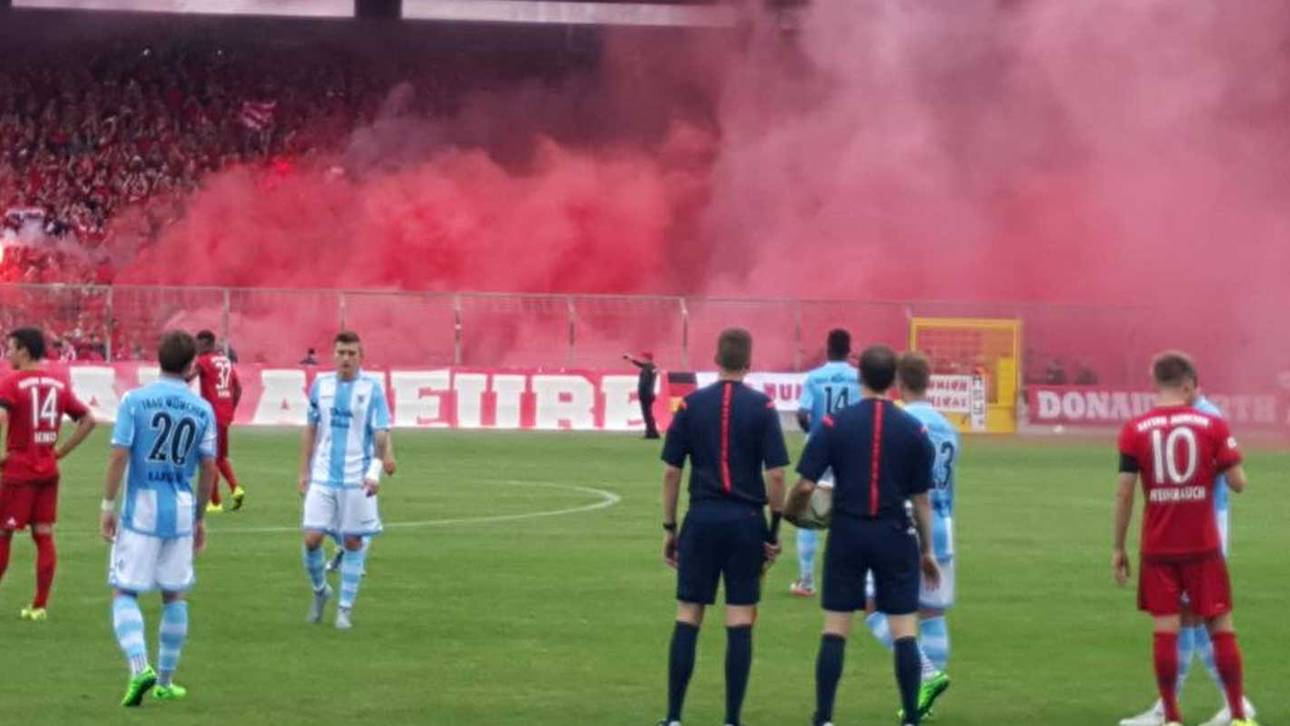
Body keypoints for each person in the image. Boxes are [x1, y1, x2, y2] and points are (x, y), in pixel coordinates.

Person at [785, 344, 941, 726]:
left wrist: (789, 512)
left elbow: (805, 485)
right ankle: (911, 720)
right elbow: (922, 499)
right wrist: (928, 551)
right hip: (894, 533)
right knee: (904, 629)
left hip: (847, 533)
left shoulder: (835, 424)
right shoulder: (913, 429)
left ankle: (823, 717)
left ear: (861, 378)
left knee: (835, 628)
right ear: (893, 382)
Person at [1113, 352, 1257, 726]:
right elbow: (1239, 483)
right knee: (1217, 623)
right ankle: (1238, 712)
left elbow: (1124, 493)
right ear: (1189, 383)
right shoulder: (1210, 422)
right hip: (1203, 537)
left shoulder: (1136, 428)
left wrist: (1118, 546)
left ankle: (1172, 715)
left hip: (1160, 541)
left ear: (1154, 383)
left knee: (1169, 625)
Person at [656, 328, 789, 726]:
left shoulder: (690, 406)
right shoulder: (763, 408)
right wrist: (773, 529)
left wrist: (669, 526)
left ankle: (675, 717)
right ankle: (732, 719)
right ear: (749, 362)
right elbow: (777, 475)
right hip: (746, 522)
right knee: (739, 618)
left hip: (702, 518)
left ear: (715, 359)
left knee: (688, 615)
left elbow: (671, 472)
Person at [102, 330, 218, 707]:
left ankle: (140, 668)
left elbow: (119, 455)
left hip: (143, 510)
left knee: (124, 590)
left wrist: (107, 506)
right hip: (182, 509)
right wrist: (200, 517)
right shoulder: (202, 409)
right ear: (191, 367)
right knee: (174, 594)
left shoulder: (136, 401)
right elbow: (209, 467)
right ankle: (166, 680)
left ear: (158, 359)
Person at [860, 352, 955, 719]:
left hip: (908, 523)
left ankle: (927, 676)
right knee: (932, 612)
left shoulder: (900, 422)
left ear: (899, 382)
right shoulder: (948, 427)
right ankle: (923, 701)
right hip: (944, 523)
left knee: (872, 603)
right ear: (928, 382)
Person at [299, 331, 395, 631]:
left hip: (357, 479)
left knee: (353, 541)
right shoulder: (321, 386)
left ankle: (344, 610)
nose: (346, 358)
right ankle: (320, 591)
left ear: (360, 356)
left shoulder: (372, 389)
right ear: (333, 354)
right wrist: (304, 470)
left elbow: (381, 432)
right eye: (341, 352)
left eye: (352, 353)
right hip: (324, 475)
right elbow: (311, 428)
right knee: (312, 538)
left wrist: (375, 471)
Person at [0, 327, 96, 620]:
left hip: (19, 472)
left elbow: (2, 415)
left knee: (3, 534)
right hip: (47, 471)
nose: (8, 354)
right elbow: (88, 421)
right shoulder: (58, 383)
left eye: (11, 348)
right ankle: (39, 606)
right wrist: (60, 452)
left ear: (25, 351)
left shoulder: (12, 383)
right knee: (44, 535)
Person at [790, 328, 861, 599]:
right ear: (849, 349)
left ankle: (806, 580)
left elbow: (802, 413)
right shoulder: (858, 377)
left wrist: (811, 432)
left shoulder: (815, 377)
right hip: (852, 449)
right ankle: (852, 579)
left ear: (828, 348)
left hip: (820, 447)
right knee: (852, 511)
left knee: (809, 512)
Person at [189, 330, 244, 513]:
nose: (196, 347)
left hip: (212, 415)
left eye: (198, 344)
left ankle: (217, 501)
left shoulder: (203, 361)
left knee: (209, 457)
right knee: (218, 457)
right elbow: (238, 388)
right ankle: (231, 491)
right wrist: (231, 408)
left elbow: (190, 376)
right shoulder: (226, 361)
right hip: (225, 414)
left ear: (206, 344)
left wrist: (172, 378)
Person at [625, 351, 660, 439]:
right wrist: (630, 358)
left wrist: (641, 392)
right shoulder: (651, 367)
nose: (642, 359)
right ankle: (652, 432)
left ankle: (651, 433)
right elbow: (639, 364)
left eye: (643, 357)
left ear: (646, 358)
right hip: (649, 394)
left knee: (647, 415)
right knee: (648, 414)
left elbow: (645, 381)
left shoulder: (648, 368)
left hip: (645, 394)